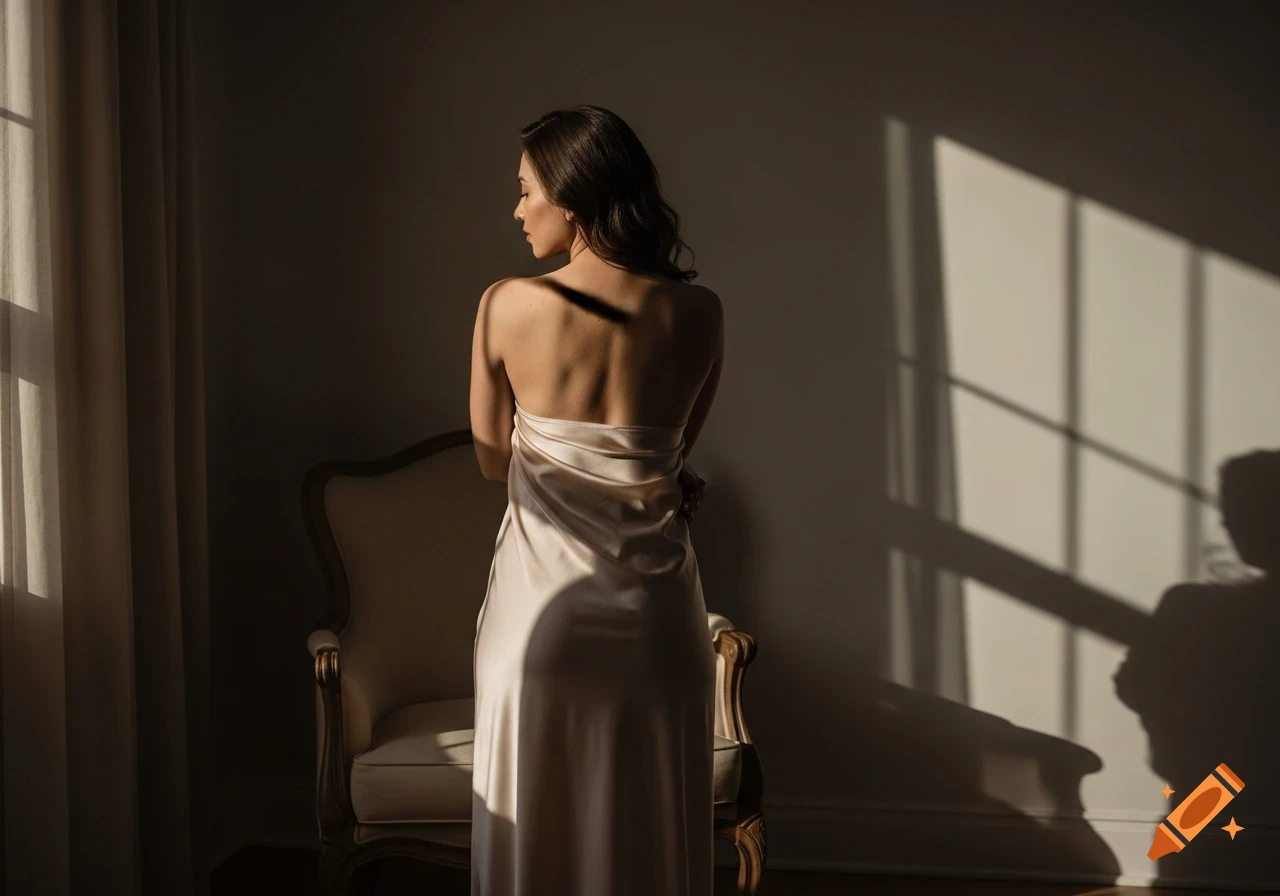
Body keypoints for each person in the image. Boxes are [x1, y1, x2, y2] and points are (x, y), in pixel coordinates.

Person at [468, 104, 724, 895]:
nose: (517, 211)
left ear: (571, 199)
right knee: (647, 820)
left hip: (543, 615)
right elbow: (674, 450)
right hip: (655, 617)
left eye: (525, 192)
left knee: (534, 814)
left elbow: (487, 459)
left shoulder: (506, 305)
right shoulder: (700, 312)